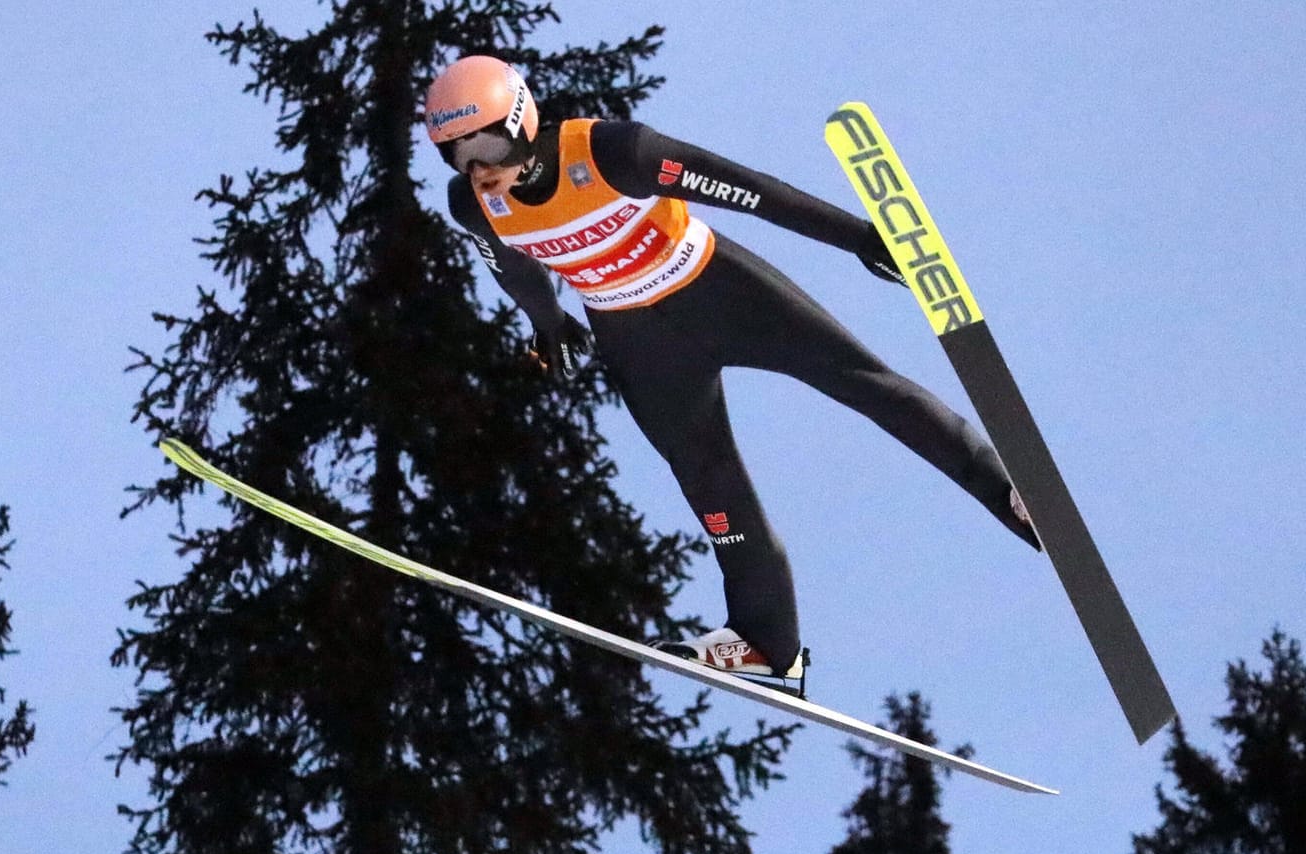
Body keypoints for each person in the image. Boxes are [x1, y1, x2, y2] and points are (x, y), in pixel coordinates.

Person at [425, 55, 1036, 680]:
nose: (478, 165)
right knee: (710, 485)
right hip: (637, 341)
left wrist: (861, 238)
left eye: (488, 140)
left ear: (523, 119)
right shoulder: (474, 207)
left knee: (865, 385)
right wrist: (549, 323)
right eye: (456, 152)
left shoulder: (613, 152)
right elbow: (514, 267)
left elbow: (748, 190)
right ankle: (767, 644)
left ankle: (1011, 494)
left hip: (719, 292)